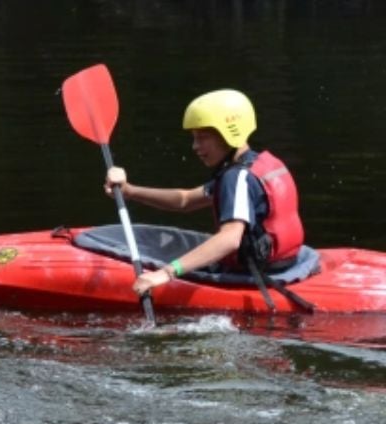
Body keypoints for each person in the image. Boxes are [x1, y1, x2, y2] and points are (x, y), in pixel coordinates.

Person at [105, 89, 307, 297]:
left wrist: (166, 273)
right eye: (194, 138)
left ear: (229, 133)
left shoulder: (236, 178)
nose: (195, 146)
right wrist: (130, 191)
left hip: (258, 274)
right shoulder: (258, 164)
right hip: (285, 263)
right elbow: (186, 200)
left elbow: (230, 239)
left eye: (203, 138)